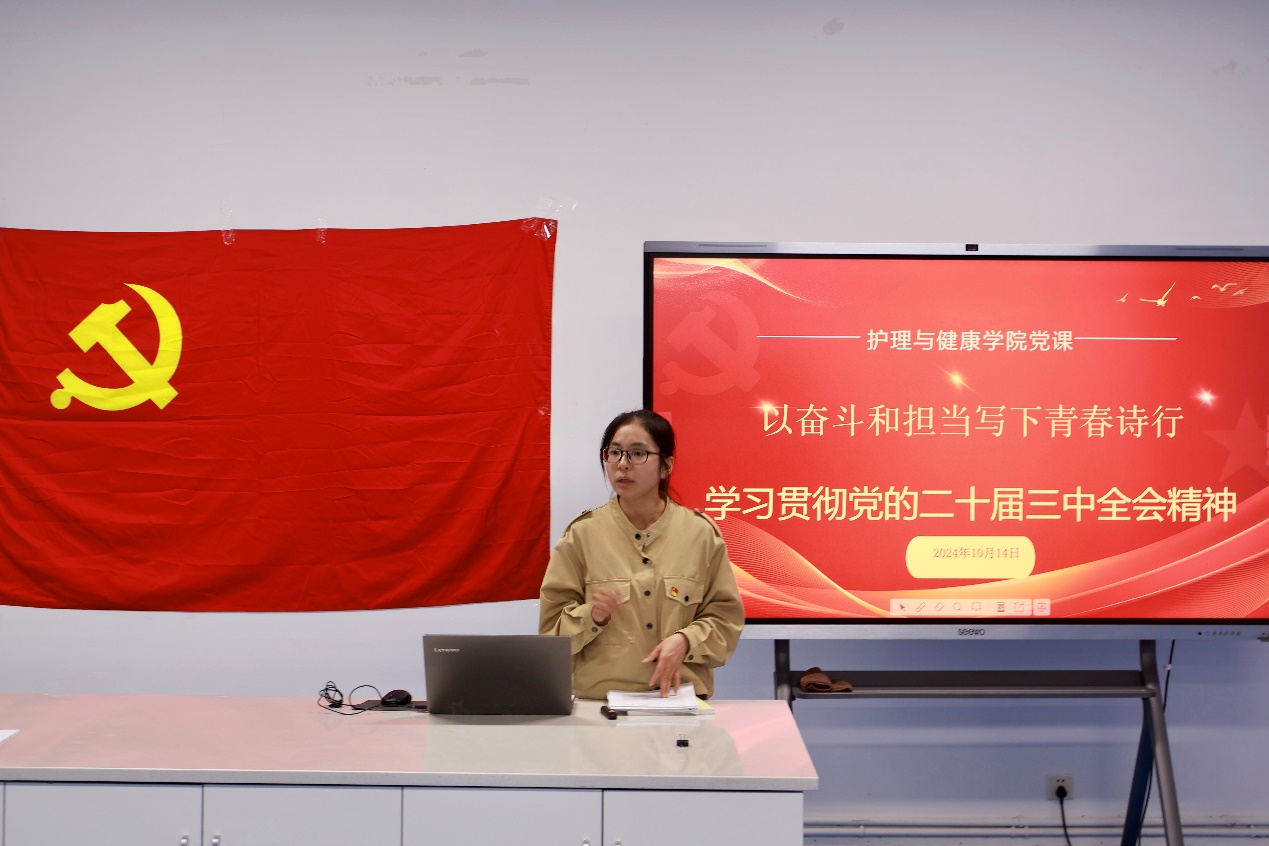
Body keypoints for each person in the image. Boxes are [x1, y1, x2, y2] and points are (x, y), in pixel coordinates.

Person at [539, 410, 744, 699]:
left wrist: (686, 640)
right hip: (601, 707)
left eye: (638, 453)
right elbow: (550, 634)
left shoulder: (700, 534)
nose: (623, 464)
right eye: (614, 453)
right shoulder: (581, 535)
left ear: (665, 466)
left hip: (680, 703)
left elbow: (726, 619)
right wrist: (591, 617)